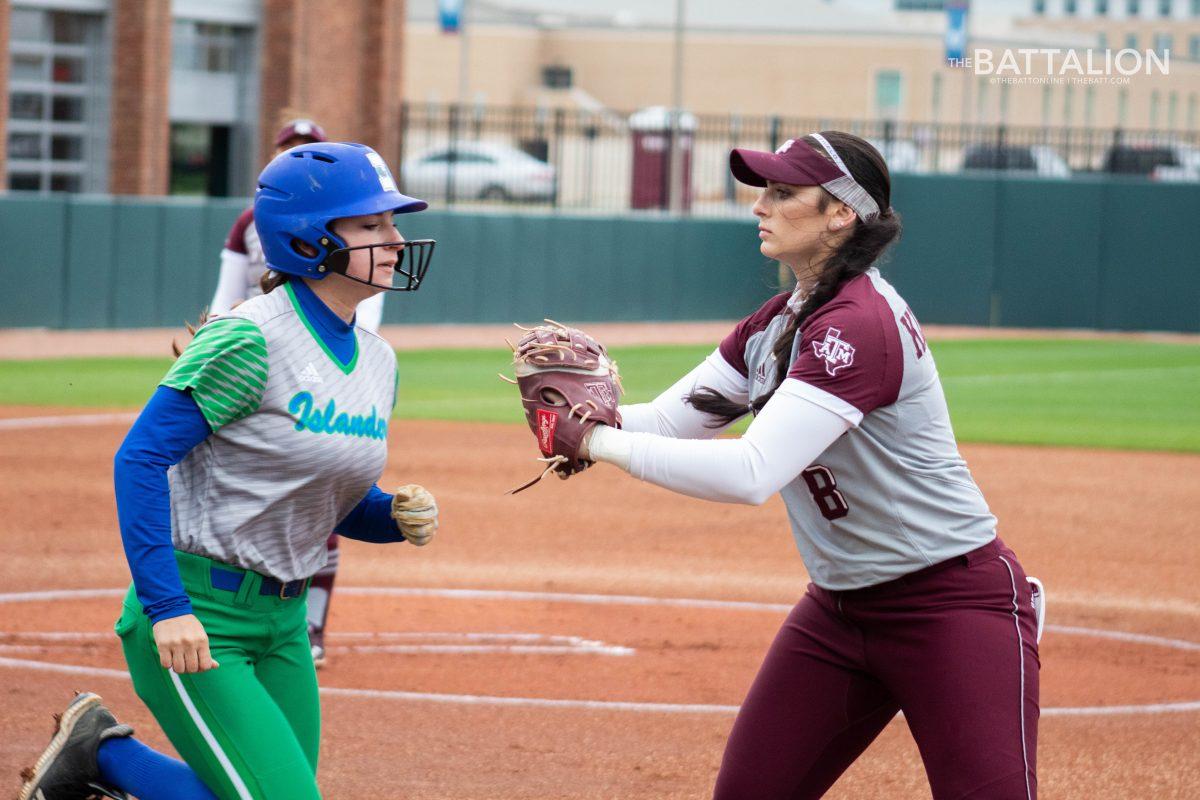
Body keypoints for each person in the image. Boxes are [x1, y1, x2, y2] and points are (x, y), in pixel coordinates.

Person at [515, 132, 1042, 799]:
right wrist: (581, 419)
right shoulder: (779, 322)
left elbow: (751, 472)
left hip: (951, 606)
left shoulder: (858, 323)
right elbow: (675, 420)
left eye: (784, 193)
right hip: (840, 612)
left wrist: (591, 442)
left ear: (842, 213)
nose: (760, 205)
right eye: (764, 190)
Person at [19, 142, 439, 800]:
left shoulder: (378, 361)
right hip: (199, 620)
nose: (395, 238)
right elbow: (139, 459)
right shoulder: (250, 338)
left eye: (392, 222)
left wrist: (388, 516)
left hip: (284, 623)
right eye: (372, 225)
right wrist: (167, 608)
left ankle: (98, 756)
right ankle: (105, 757)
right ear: (308, 238)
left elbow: (326, 497)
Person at [209, 117, 379, 667]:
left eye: (310, 147)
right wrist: (214, 341)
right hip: (267, 346)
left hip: (330, 353)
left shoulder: (350, 215)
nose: (299, 153)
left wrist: (355, 353)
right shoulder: (249, 222)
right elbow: (226, 295)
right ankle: (227, 610)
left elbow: (364, 299)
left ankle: (308, 627)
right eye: (291, 148)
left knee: (327, 491)